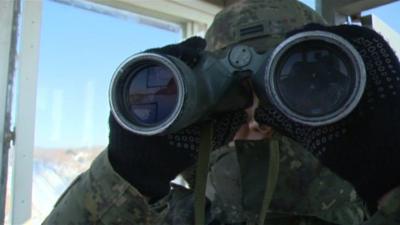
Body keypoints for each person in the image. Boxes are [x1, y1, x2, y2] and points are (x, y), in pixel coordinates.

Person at [43, 0, 400, 224]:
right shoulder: (161, 214)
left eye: (291, 89)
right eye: (230, 95)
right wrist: (124, 177)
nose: (257, 121)